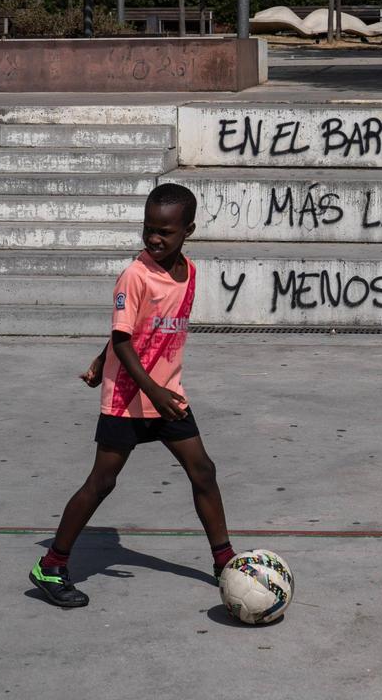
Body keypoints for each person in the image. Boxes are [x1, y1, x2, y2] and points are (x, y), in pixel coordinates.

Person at [29, 183, 236, 608]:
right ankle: (50, 565)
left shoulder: (189, 272)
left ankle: (224, 561)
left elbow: (140, 331)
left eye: (165, 232)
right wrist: (143, 383)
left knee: (203, 472)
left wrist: (98, 361)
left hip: (167, 395)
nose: (155, 239)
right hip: (128, 398)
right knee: (102, 482)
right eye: (148, 230)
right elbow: (123, 341)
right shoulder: (135, 275)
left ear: (188, 231)